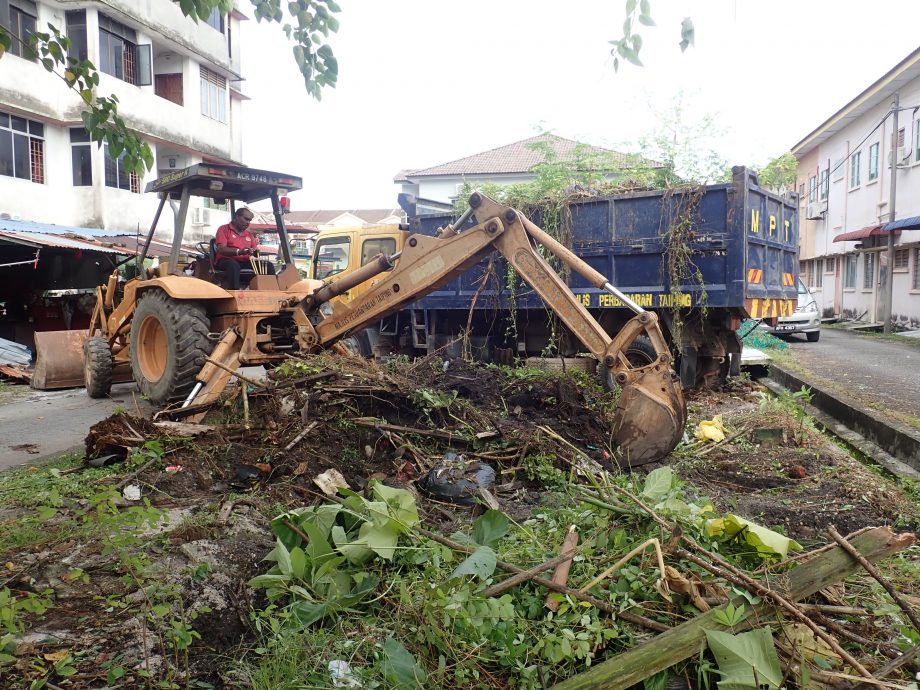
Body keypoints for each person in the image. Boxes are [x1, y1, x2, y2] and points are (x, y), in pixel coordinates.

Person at [214, 207, 275, 289]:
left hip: (245, 262)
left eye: (249, 220)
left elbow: (254, 252)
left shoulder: (249, 234)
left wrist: (255, 252)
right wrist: (239, 251)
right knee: (233, 265)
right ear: (237, 217)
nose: (248, 222)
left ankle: (271, 291)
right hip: (226, 260)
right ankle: (235, 292)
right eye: (246, 219)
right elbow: (221, 249)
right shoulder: (224, 229)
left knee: (269, 265)